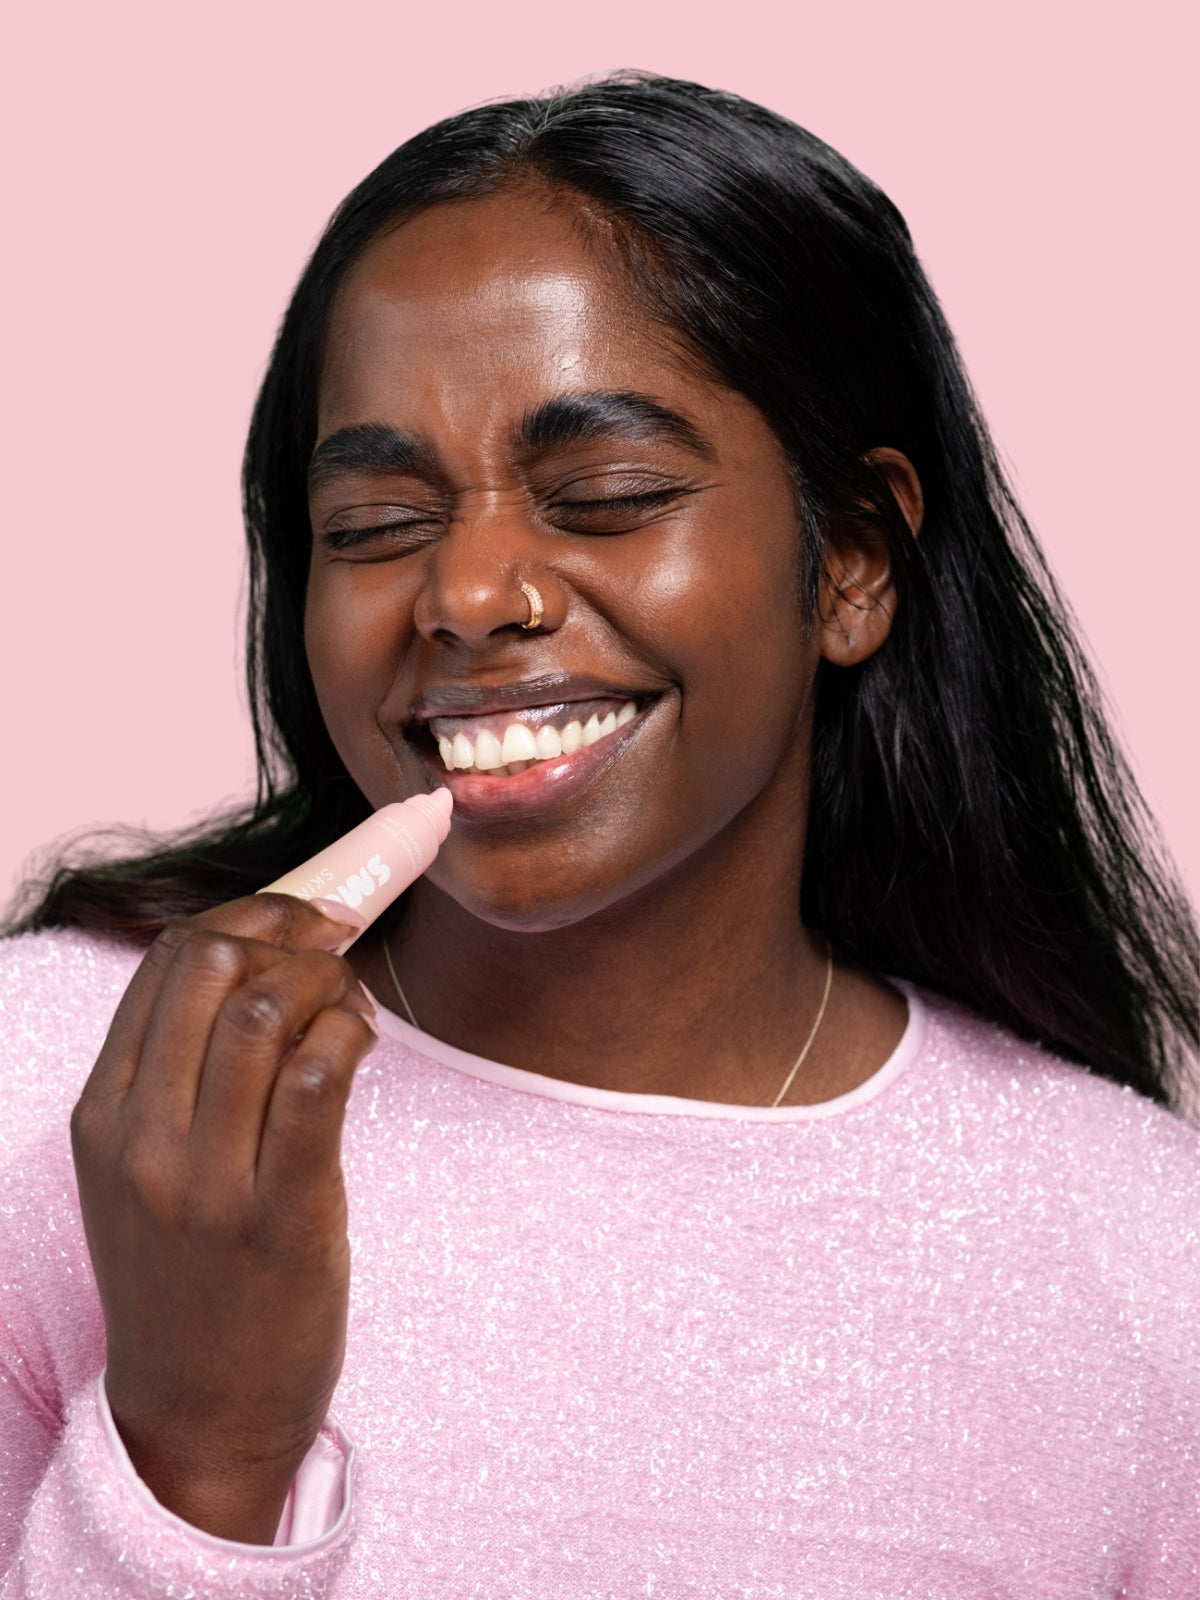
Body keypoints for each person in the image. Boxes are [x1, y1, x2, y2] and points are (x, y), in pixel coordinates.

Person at [1, 72, 1196, 1598]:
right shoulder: (52, 1097)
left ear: (850, 562)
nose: (469, 593)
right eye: (372, 526)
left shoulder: (1143, 1267)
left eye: (606, 494)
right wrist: (200, 1461)